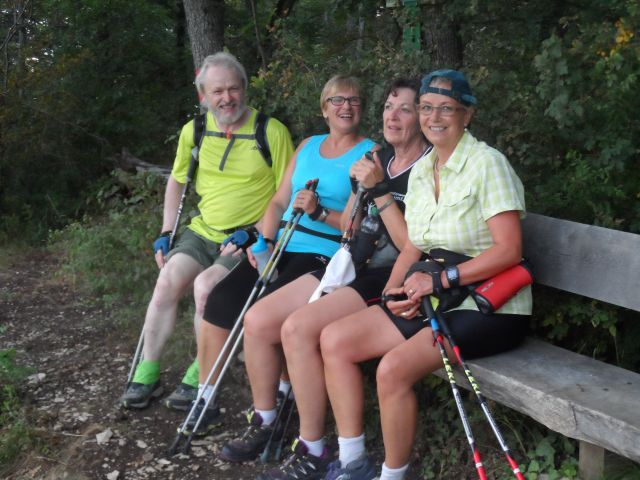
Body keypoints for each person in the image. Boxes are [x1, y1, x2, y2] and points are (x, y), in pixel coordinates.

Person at [320, 69, 532, 480]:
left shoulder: (488, 164)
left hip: (491, 304)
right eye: (427, 108)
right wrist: (392, 291)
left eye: (446, 108)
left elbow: (509, 250)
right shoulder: (423, 169)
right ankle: (353, 462)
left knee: (392, 369)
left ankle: (393, 475)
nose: (434, 117)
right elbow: (414, 245)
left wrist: (440, 280)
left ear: (467, 114)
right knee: (335, 340)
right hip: (436, 294)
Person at [238, 78, 431, 480]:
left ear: (422, 117)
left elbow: (412, 246)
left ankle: (333, 454)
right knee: (278, 324)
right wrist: (329, 212)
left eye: (406, 109)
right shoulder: (378, 159)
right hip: (353, 265)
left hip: (395, 277)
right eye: (389, 107)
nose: (393, 116)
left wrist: (378, 191)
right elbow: (350, 225)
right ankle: (313, 448)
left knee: (301, 330)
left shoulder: (428, 169)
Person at [187, 75, 376, 436]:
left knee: (261, 316)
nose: (346, 107)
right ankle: (204, 398)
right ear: (324, 109)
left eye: (354, 100)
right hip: (282, 243)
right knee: (220, 299)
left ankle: (272, 407)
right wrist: (266, 241)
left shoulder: (369, 154)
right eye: (337, 100)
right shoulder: (308, 145)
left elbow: (354, 224)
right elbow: (277, 202)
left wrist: (319, 211)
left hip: (323, 252)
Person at [120, 52, 295, 410]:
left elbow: (286, 195)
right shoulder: (195, 131)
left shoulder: (271, 131)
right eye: (217, 91)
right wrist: (166, 230)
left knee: (205, 288)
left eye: (233, 88)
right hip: (202, 230)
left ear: (244, 88)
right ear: (203, 96)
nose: (227, 98)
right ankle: (147, 372)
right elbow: (177, 181)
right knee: (167, 281)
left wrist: (256, 233)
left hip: (246, 237)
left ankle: (200, 374)